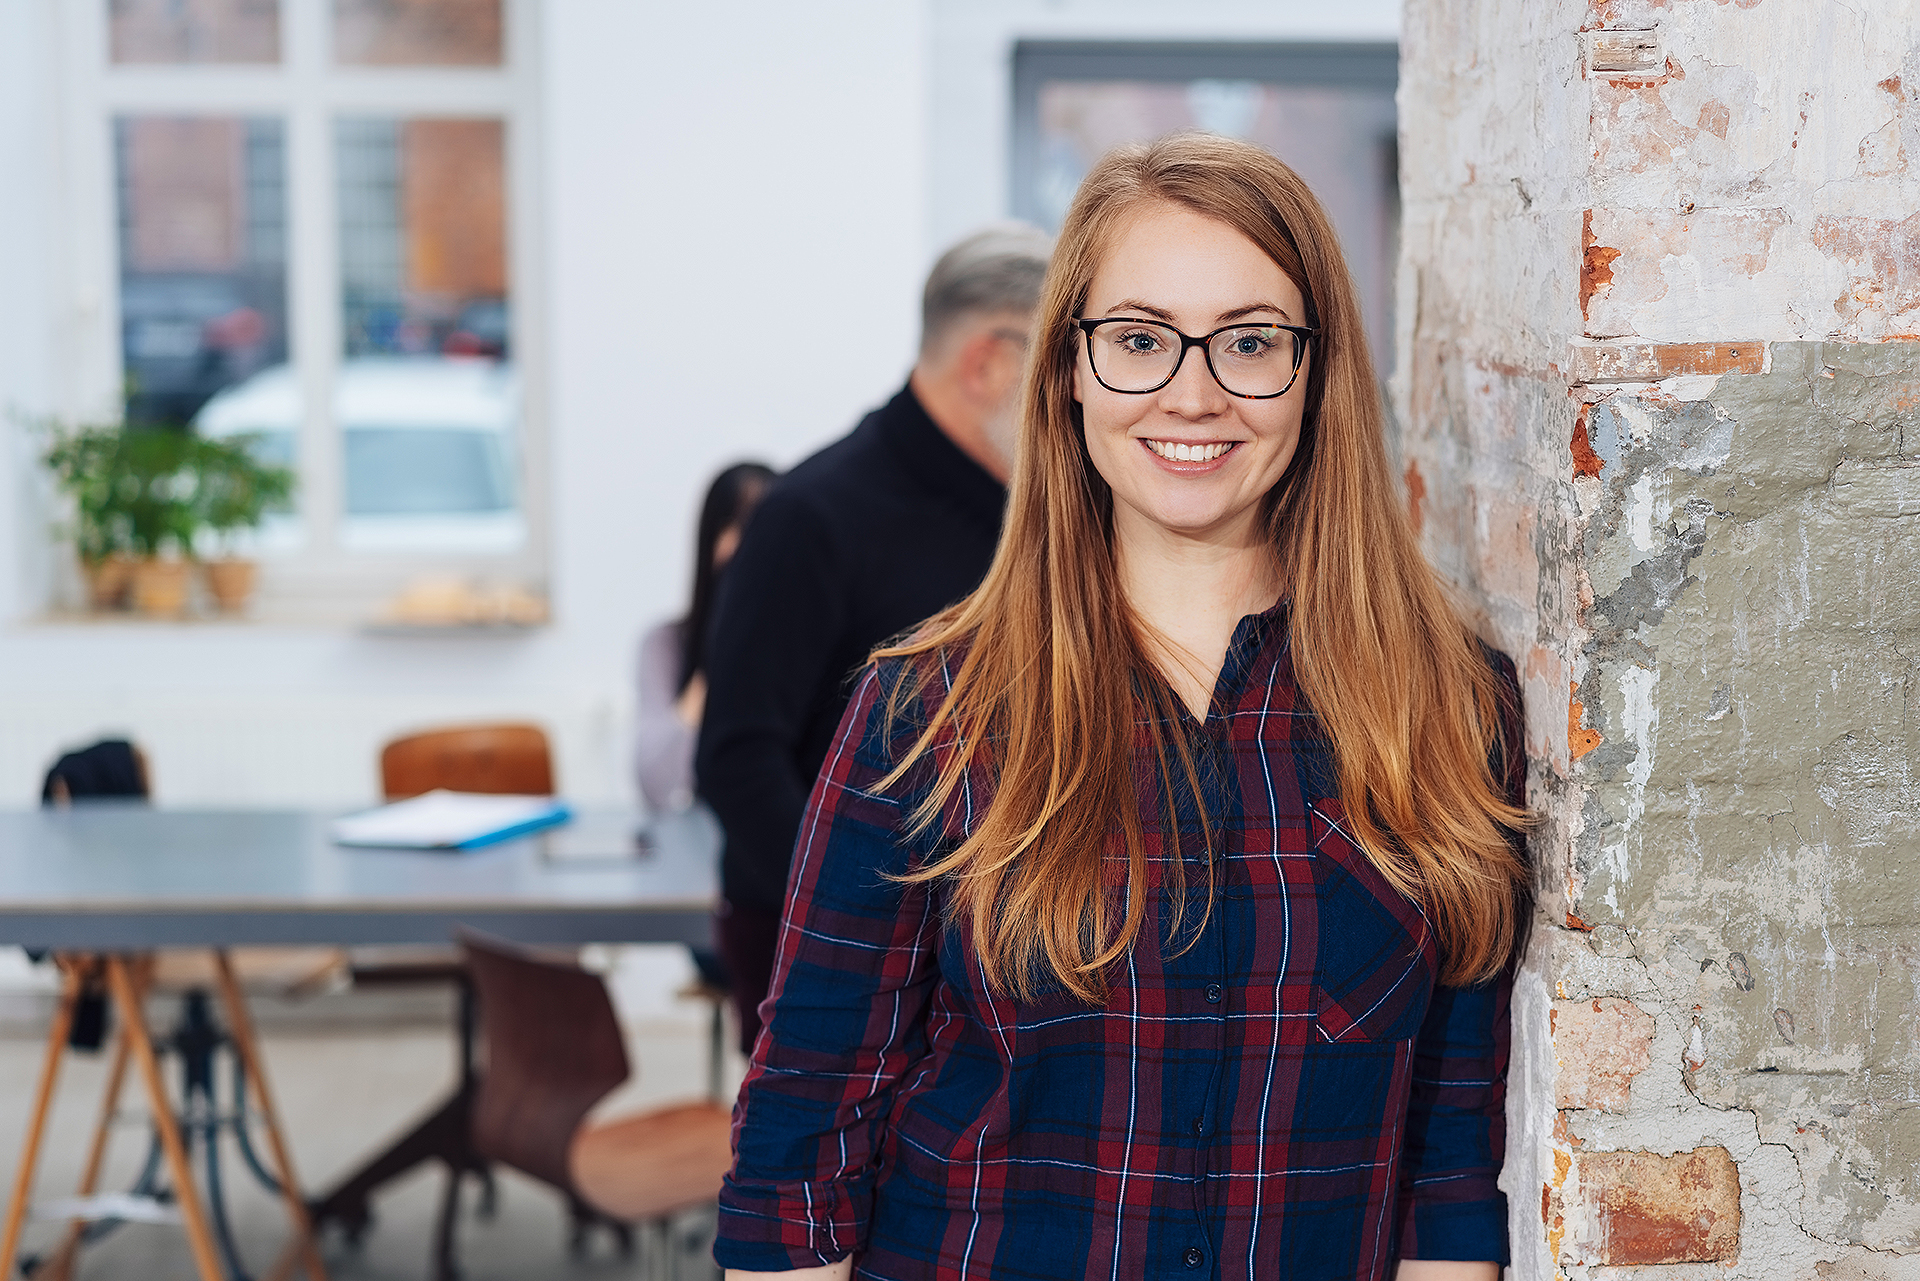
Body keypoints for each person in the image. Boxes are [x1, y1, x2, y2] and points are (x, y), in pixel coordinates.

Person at [714, 135, 1531, 1281]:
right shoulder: (927, 711)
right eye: (1140, 340)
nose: (1192, 393)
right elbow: (798, 1153)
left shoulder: (1450, 708)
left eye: (1249, 342)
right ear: (1069, 374)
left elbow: (1449, 1163)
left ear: (1318, 373)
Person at [695, 225, 1052, 1054]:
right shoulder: (809, 517)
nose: (1080, 399)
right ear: (991, 363)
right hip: (829, 938)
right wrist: (870, 919)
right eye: (1060, 366)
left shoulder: (1025, 513)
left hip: (987, 944)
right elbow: (737, 758)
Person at [635, 461, 776, 813]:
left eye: (760, 527)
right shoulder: (665, 644)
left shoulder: (807, 651)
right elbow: (657, 786)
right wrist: (719, 656)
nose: (748, 546)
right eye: (735, 525)